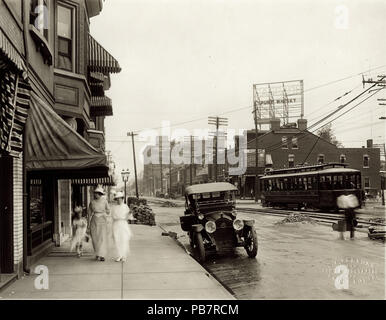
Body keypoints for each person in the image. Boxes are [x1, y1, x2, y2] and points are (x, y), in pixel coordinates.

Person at [88, 186, 110, 261]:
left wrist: (105, 213)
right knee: (95, 238)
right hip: (94, 220)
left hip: (102, 220)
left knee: (102, 238)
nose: (95, 195)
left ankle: (102, 255)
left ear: (100, 194)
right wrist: (88, 224)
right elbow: (89, 213)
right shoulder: (92, 202)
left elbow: (108, 210)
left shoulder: (105, 201)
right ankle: (97, 253)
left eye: (97, 193)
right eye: (94, 193)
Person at [111, 192, 133, 262]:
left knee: (124, 239)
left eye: (120, 199)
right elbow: (112, 216)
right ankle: (119, 255)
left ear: (122, 199)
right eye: (117, 199)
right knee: (117, 240)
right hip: (116, 224)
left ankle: (124, 255)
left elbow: (128, 217)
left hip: (123, 224)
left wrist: (130, 213)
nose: (118, 200)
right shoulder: (114, 207)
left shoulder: (125, 206)